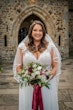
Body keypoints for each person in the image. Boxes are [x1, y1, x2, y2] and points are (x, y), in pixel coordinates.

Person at [13, 20, 61, 110]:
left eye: (40, 30)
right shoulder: (22, 47)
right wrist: (27, 78)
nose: (38, 33)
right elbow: (18, 67)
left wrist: (46, 78)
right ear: (31, 32)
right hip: (28, 85)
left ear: (43, 32)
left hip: (46, 84)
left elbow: (55, 66)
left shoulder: (50, 47)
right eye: (35, 30)